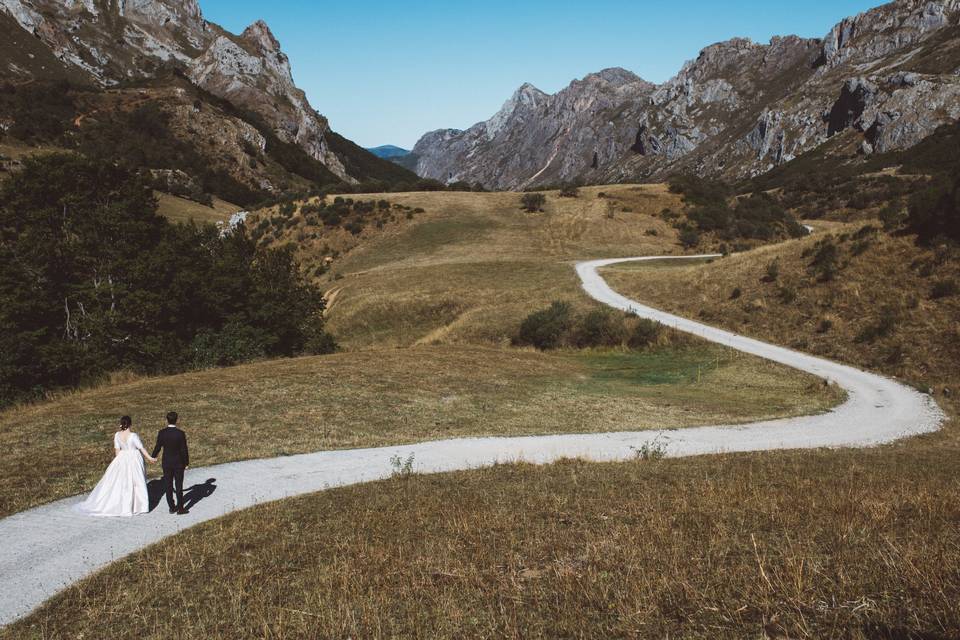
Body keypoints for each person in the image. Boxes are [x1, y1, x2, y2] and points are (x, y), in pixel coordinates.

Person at [74, 416, 157, 517]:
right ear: (130, 424)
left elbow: (117, 450)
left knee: (122, 481)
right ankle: (138, 506)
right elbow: (141, 448)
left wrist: (119, 462)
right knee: (137, 481)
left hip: (122, 457)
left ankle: (124, 504)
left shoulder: (117, 435)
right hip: (133, 459)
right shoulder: (133, 436)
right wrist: (150, 458)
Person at [152, 411, 190, 515]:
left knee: (168, 485)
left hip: (167, 462)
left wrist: (154, 456)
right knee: (179, 485)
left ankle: (172, 507)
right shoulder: (180, 433)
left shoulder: (162, 433)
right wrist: (186, 462)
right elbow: (183, 450)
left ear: (167, 420)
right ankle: (181, 508)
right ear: (177, 420)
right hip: (178, 463)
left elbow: (158, 446)